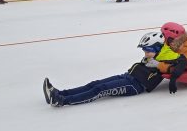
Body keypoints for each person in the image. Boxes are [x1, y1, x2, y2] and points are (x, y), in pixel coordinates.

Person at [42, 32, 175, 107]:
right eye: (144, 50)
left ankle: (61, 100)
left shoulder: (165, 59)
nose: (145, 53)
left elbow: (179, 63)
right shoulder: (157, 54)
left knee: (100, 89)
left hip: (134, 86)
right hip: (127, 76)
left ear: (157, 48)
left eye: (148, 50)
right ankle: (60, 93)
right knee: (95, 84)